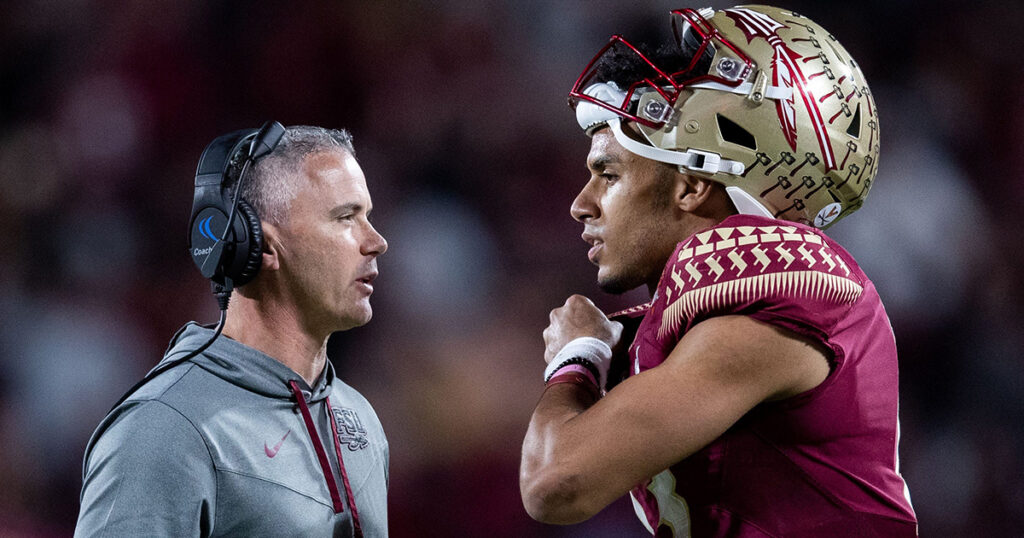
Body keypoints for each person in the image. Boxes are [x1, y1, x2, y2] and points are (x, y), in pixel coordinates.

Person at [520, 6, 917, 536]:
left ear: (691, 183)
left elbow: (555, 482)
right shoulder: (699, 316)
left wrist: (579, 357)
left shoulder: (778, 300)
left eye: (608, 174)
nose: (582, 204)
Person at [75, 124, 390, 537]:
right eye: (345, 217)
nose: (377, 241)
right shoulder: (164, 431)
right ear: (261, 244)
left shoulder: (360, 421)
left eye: (368, 216)